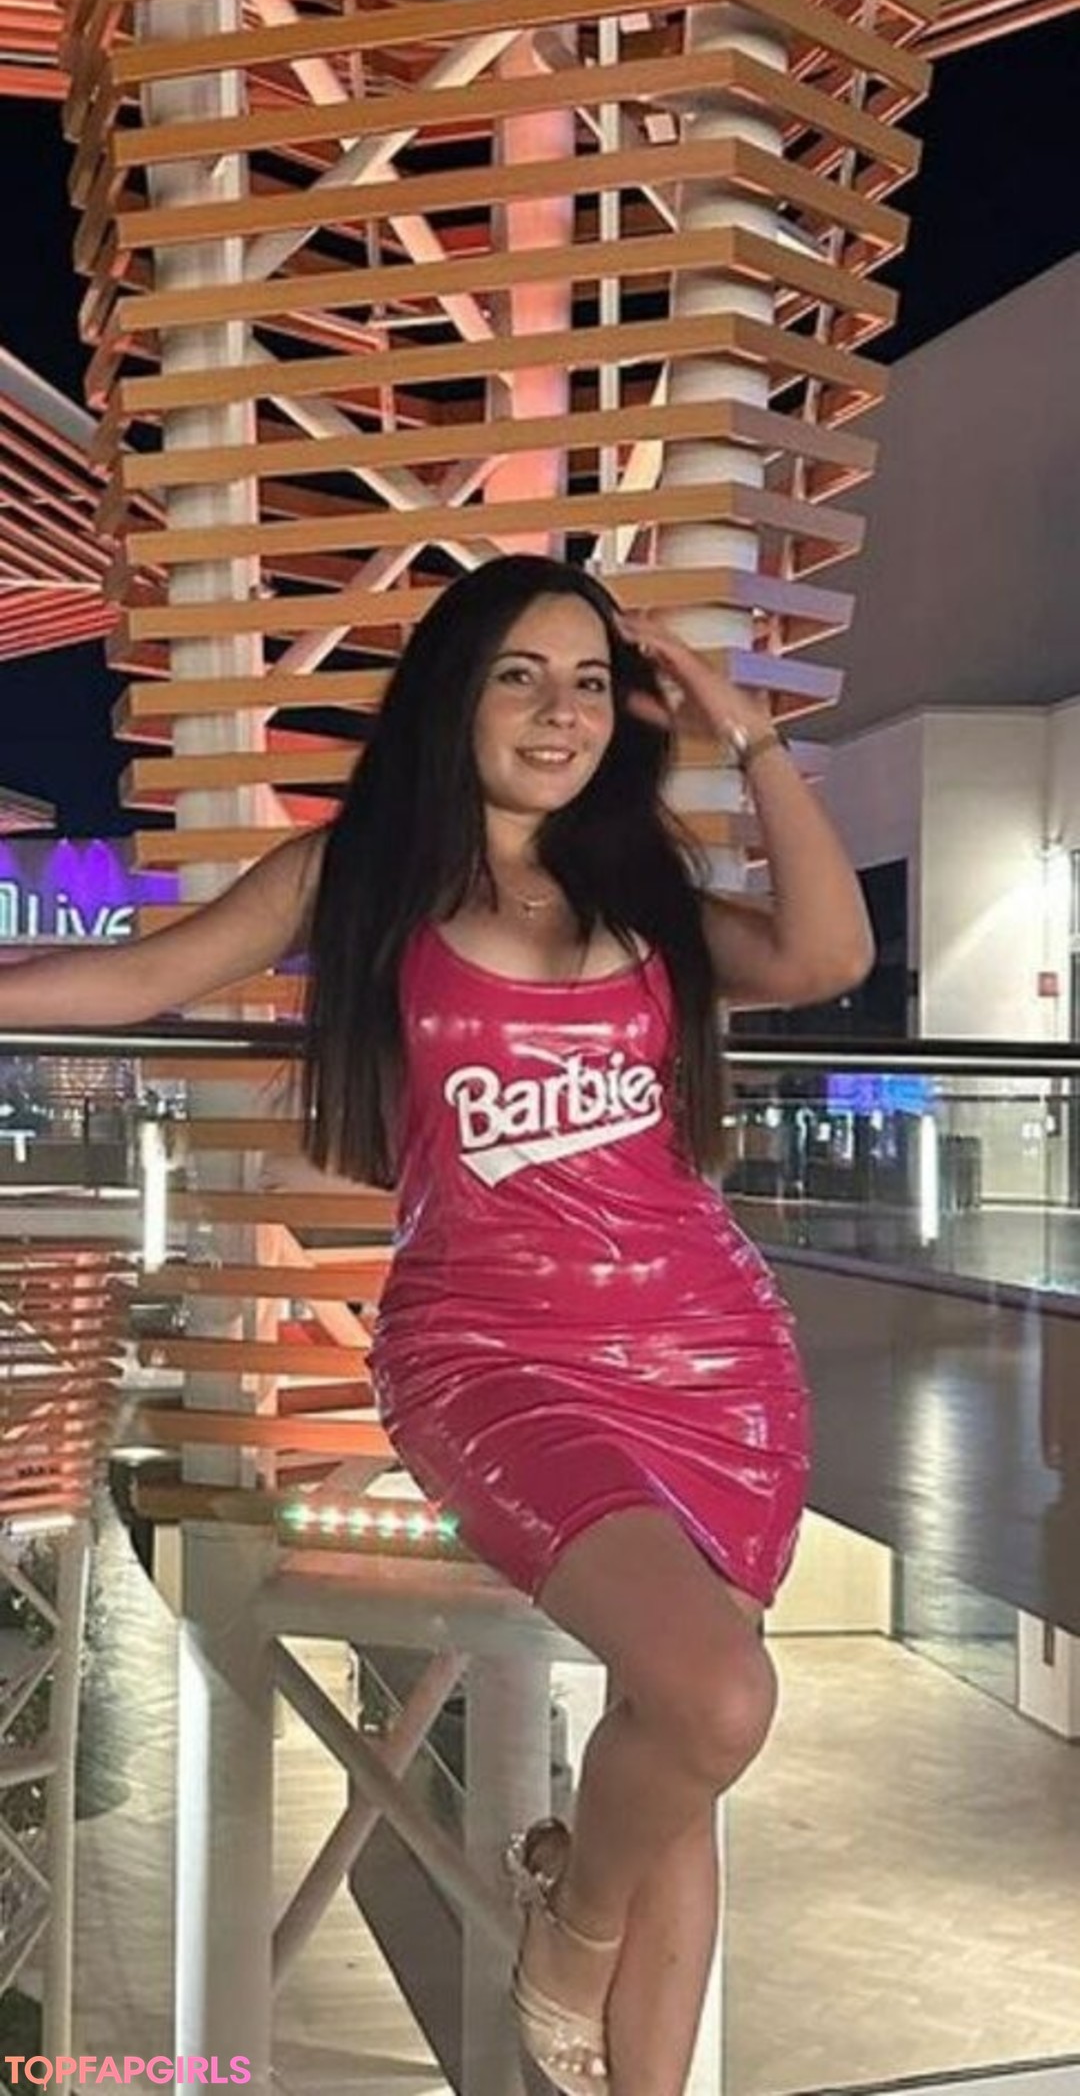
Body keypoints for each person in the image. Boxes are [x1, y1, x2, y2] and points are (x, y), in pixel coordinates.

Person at [0, 555, 873, 2096]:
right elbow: (137, 975)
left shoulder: (645, 890)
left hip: (713, 1356)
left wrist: (744, 730)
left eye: (591, 682)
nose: (559, 712)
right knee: (717, 1695)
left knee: (679, 1733)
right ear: (455, 696)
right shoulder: (362, 876)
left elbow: (829, 956)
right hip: (488, 1354)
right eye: (520, 676)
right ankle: (573, 1920)